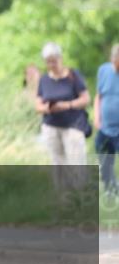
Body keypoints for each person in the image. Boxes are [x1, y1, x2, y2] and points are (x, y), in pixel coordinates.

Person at [35, 42, 91, 191]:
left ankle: (80, 196)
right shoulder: (44, 79)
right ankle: (63, 199)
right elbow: (38, 104)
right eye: (48, 61)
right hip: (51, 126)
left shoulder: (73, 75)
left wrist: (67, 105)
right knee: (58, 163)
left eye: (54, 60)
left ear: (60, 58)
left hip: (73, 125)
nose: (52, 64)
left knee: (76, 162)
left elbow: (86, 99)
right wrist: (47, 108)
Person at [93, 44, 119, 195]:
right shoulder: (103, 70)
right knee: (104, 158)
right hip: (105, 127)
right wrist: (97, 117)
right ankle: (110, 188)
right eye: (115, 62)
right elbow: (98, 96)